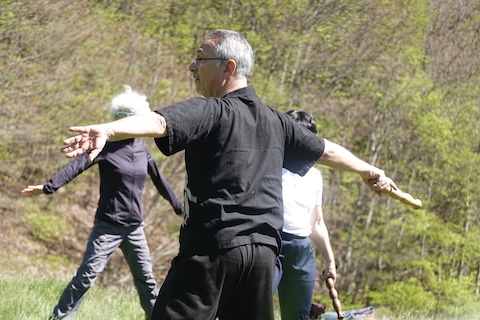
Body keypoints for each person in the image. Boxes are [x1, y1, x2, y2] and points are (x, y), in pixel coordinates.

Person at [59, 29, 398, 320]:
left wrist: (107, 129)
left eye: (200, 58)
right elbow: (326, 150)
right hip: (264, 256)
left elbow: (159, 122)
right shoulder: (277, 121)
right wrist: (368, 169)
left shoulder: (211, 109)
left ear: (228, 67)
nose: (192, 67)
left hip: (213, 250)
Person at [21, 85, 184, 320]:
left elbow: (161, 182)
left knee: (147, 282)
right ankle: (60, 318)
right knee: (86, 277)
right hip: (108, 226)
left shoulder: (142, 149)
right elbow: (76, 166)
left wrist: (180, 208)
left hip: (135, 228)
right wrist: (48, 187)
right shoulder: (106, 147)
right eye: (120, 117)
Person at [273, 110, 336, 320]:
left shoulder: (315, 176)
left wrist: (329, 260)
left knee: (297, 316)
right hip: (270, 246)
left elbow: (317, 223)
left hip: (301, 251)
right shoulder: (268, 168)